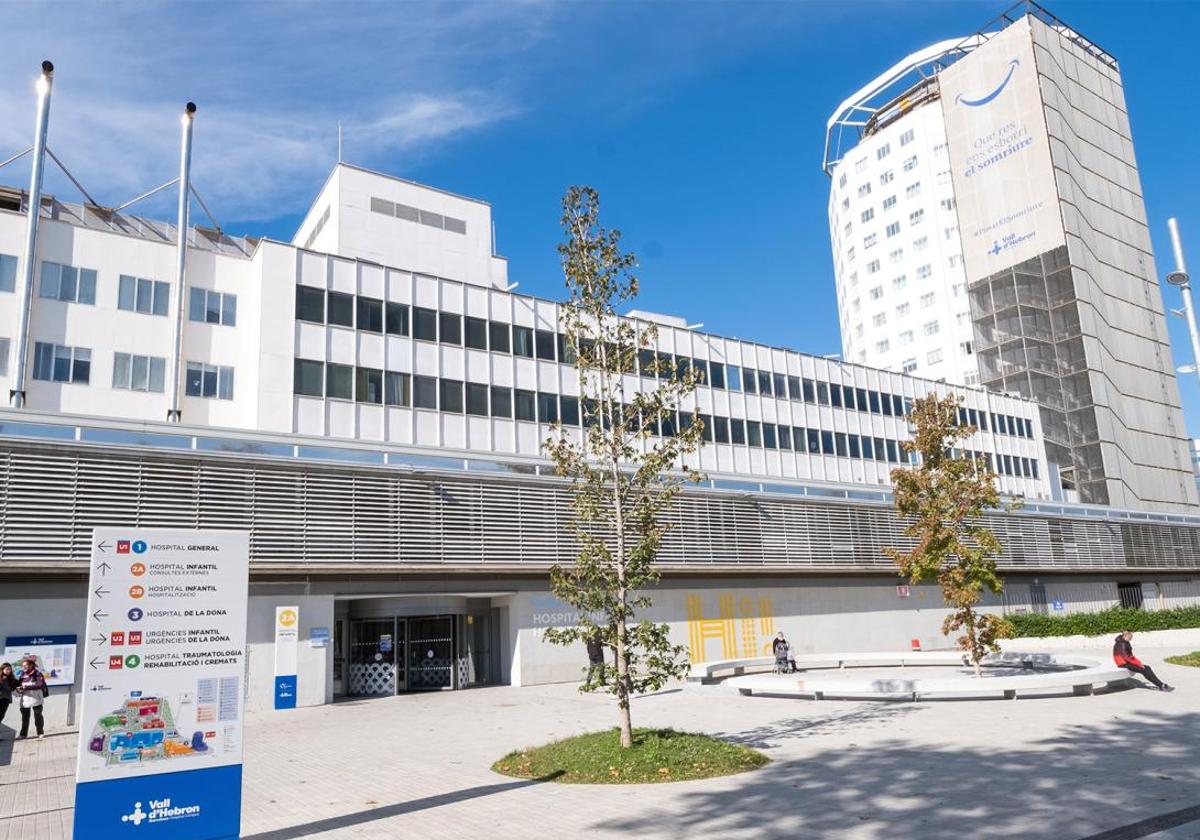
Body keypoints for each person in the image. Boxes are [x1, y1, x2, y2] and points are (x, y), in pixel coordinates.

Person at [16, 657, 48, 739]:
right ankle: (23, 734)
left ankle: (40, 732)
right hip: (25, 699)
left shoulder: (37, 674)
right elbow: (20, 685)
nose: (24, 667)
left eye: (26, 665)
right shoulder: (22, 675)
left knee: (38, 716)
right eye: (23, 666)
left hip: (36, 698)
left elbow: (40, 685)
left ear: (31, 665)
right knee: (25, 718)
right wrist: (19, 689)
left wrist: (26, 688)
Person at [0, 663, 17, 737]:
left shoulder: (10, 678)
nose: (9, 671)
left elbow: (17, 683)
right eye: (7, 669)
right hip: (0, 698)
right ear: (2, 669)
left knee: (1, 716)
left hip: (6, 699)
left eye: (10, 669)